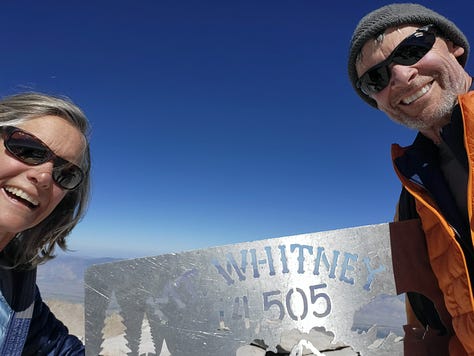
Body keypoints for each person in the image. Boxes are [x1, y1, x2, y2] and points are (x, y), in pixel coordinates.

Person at [348, 3, 473, 356]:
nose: (401, 76)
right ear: (378, 101)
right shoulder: (412, 196)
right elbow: (429, 320)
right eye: (376, 78)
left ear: (453, 46)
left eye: (413, 50)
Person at [0, 92, 90, 354]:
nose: (44, 176)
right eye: (29, 150)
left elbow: (53, 346)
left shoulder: (17, 282)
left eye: (66, 172)